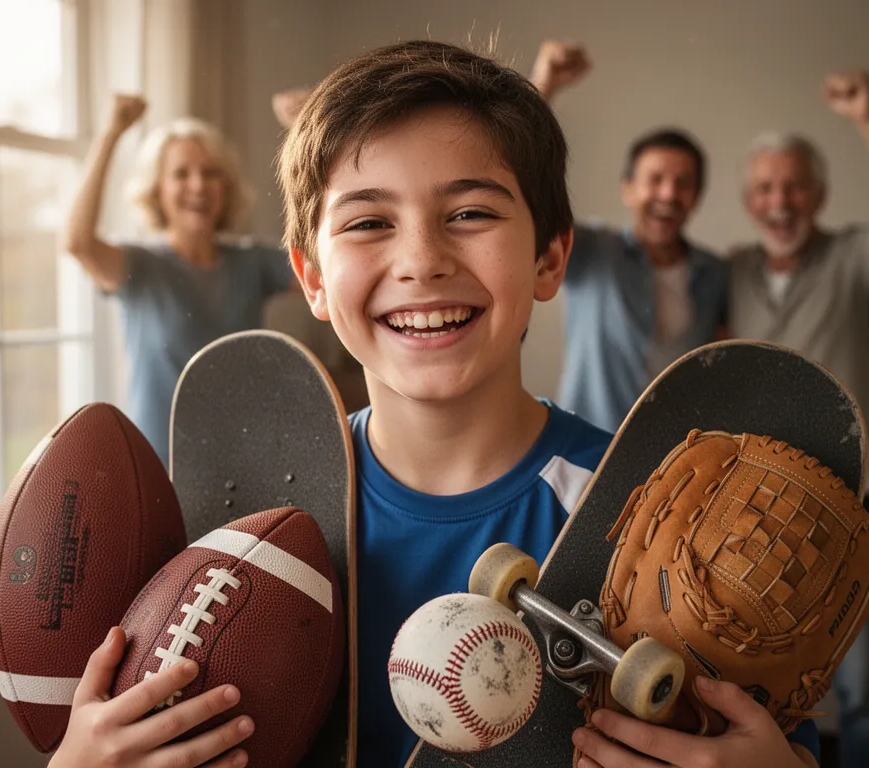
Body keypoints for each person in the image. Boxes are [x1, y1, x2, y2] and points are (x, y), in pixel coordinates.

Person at [48, 41, 820, 768]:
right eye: (368, 223)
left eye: (471, 213)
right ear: (312, 278)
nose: (421, 259)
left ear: (551, 255)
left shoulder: (659, 519)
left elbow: (762, 736)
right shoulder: (233, 527)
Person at [730, 70, 869, 768]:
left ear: (817, 195)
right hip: (763, 511)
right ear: (748, 202)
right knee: (755, 688)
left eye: (793, 186)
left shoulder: (855, 259)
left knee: (862, 695)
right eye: (764, 188)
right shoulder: (729, 273)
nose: (779, 201)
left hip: (856, 506)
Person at [61, 95, 296, 466]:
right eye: (181, 174)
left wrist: (306, 136)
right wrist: (111, 133)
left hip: (246, 466)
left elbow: (325, 268)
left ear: (227, 186)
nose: (199, 186)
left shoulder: (253, 263)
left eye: (211, 173)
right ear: (157, 189)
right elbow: (77, 242)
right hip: (158, 470)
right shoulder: (139, 267)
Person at [531, 41, 729, 434]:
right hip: (588, 451)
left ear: (697, 198)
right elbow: (531, 186)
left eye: (683, 183)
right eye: (655, 180)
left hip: (676, 462)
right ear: (628, 189)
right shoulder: (590, 252)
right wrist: (544, 86)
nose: (669, 194)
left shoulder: (716, 273)